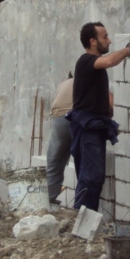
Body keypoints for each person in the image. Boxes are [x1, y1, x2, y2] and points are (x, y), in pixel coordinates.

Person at [68, 22, 130, 212]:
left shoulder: (95, 68)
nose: (109, 41)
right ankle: (82, 219)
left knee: (93, 176)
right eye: (105, 37)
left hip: (95, 125)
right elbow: (110, 61)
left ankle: (83, 219)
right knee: (91, 176)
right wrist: (129, 50)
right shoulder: (86, 60)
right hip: (87, 126)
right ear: (93, 41)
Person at [46, 75, 74, 205]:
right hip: (76, 117)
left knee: (54, 162)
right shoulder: (88, 79)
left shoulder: (63, 84)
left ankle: (48, 201)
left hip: (58, 119)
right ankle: (81, 205)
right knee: (83, 163)